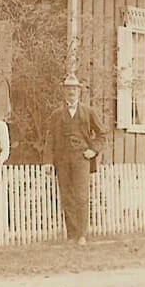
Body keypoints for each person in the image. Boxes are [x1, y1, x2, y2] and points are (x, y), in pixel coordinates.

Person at [48, 74, 105, 245]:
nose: (71, 92)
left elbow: (102, 135)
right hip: (63, 159)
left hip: (81, 159)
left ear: (79, 91)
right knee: (67, 196)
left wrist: (92, 150)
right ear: (64, 92)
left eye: (74, 89)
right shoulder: (57, 114)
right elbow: (50, 139)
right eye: (68, 89)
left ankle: (82, 235)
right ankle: (71, 234)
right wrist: (47, 161)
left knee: (81, 196)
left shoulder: (88, 112)